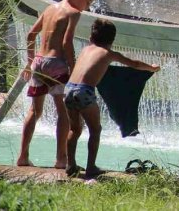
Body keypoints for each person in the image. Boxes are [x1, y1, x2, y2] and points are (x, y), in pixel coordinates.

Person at [17, 0, 97, 169]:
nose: (85, 8)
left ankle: (22, 156)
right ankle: (61, 158)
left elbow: (30, 35)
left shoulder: (49, 9)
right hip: (57, 65)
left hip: (38, 62)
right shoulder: (73, 13)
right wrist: (74, 68)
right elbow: (66, 44)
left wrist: (29, 63)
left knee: (34, 111)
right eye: (87, 2)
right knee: (63, 112)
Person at [64, 18, 160, 177]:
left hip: (68, 89)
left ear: (91, 37)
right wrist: (152, 68)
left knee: (74, 129)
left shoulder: (85, 50)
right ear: (112, 40)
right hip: (84, 92)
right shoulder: (108, 53)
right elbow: (134, 64)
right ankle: (91, 167)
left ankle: (70, 165)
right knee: (95, 130)